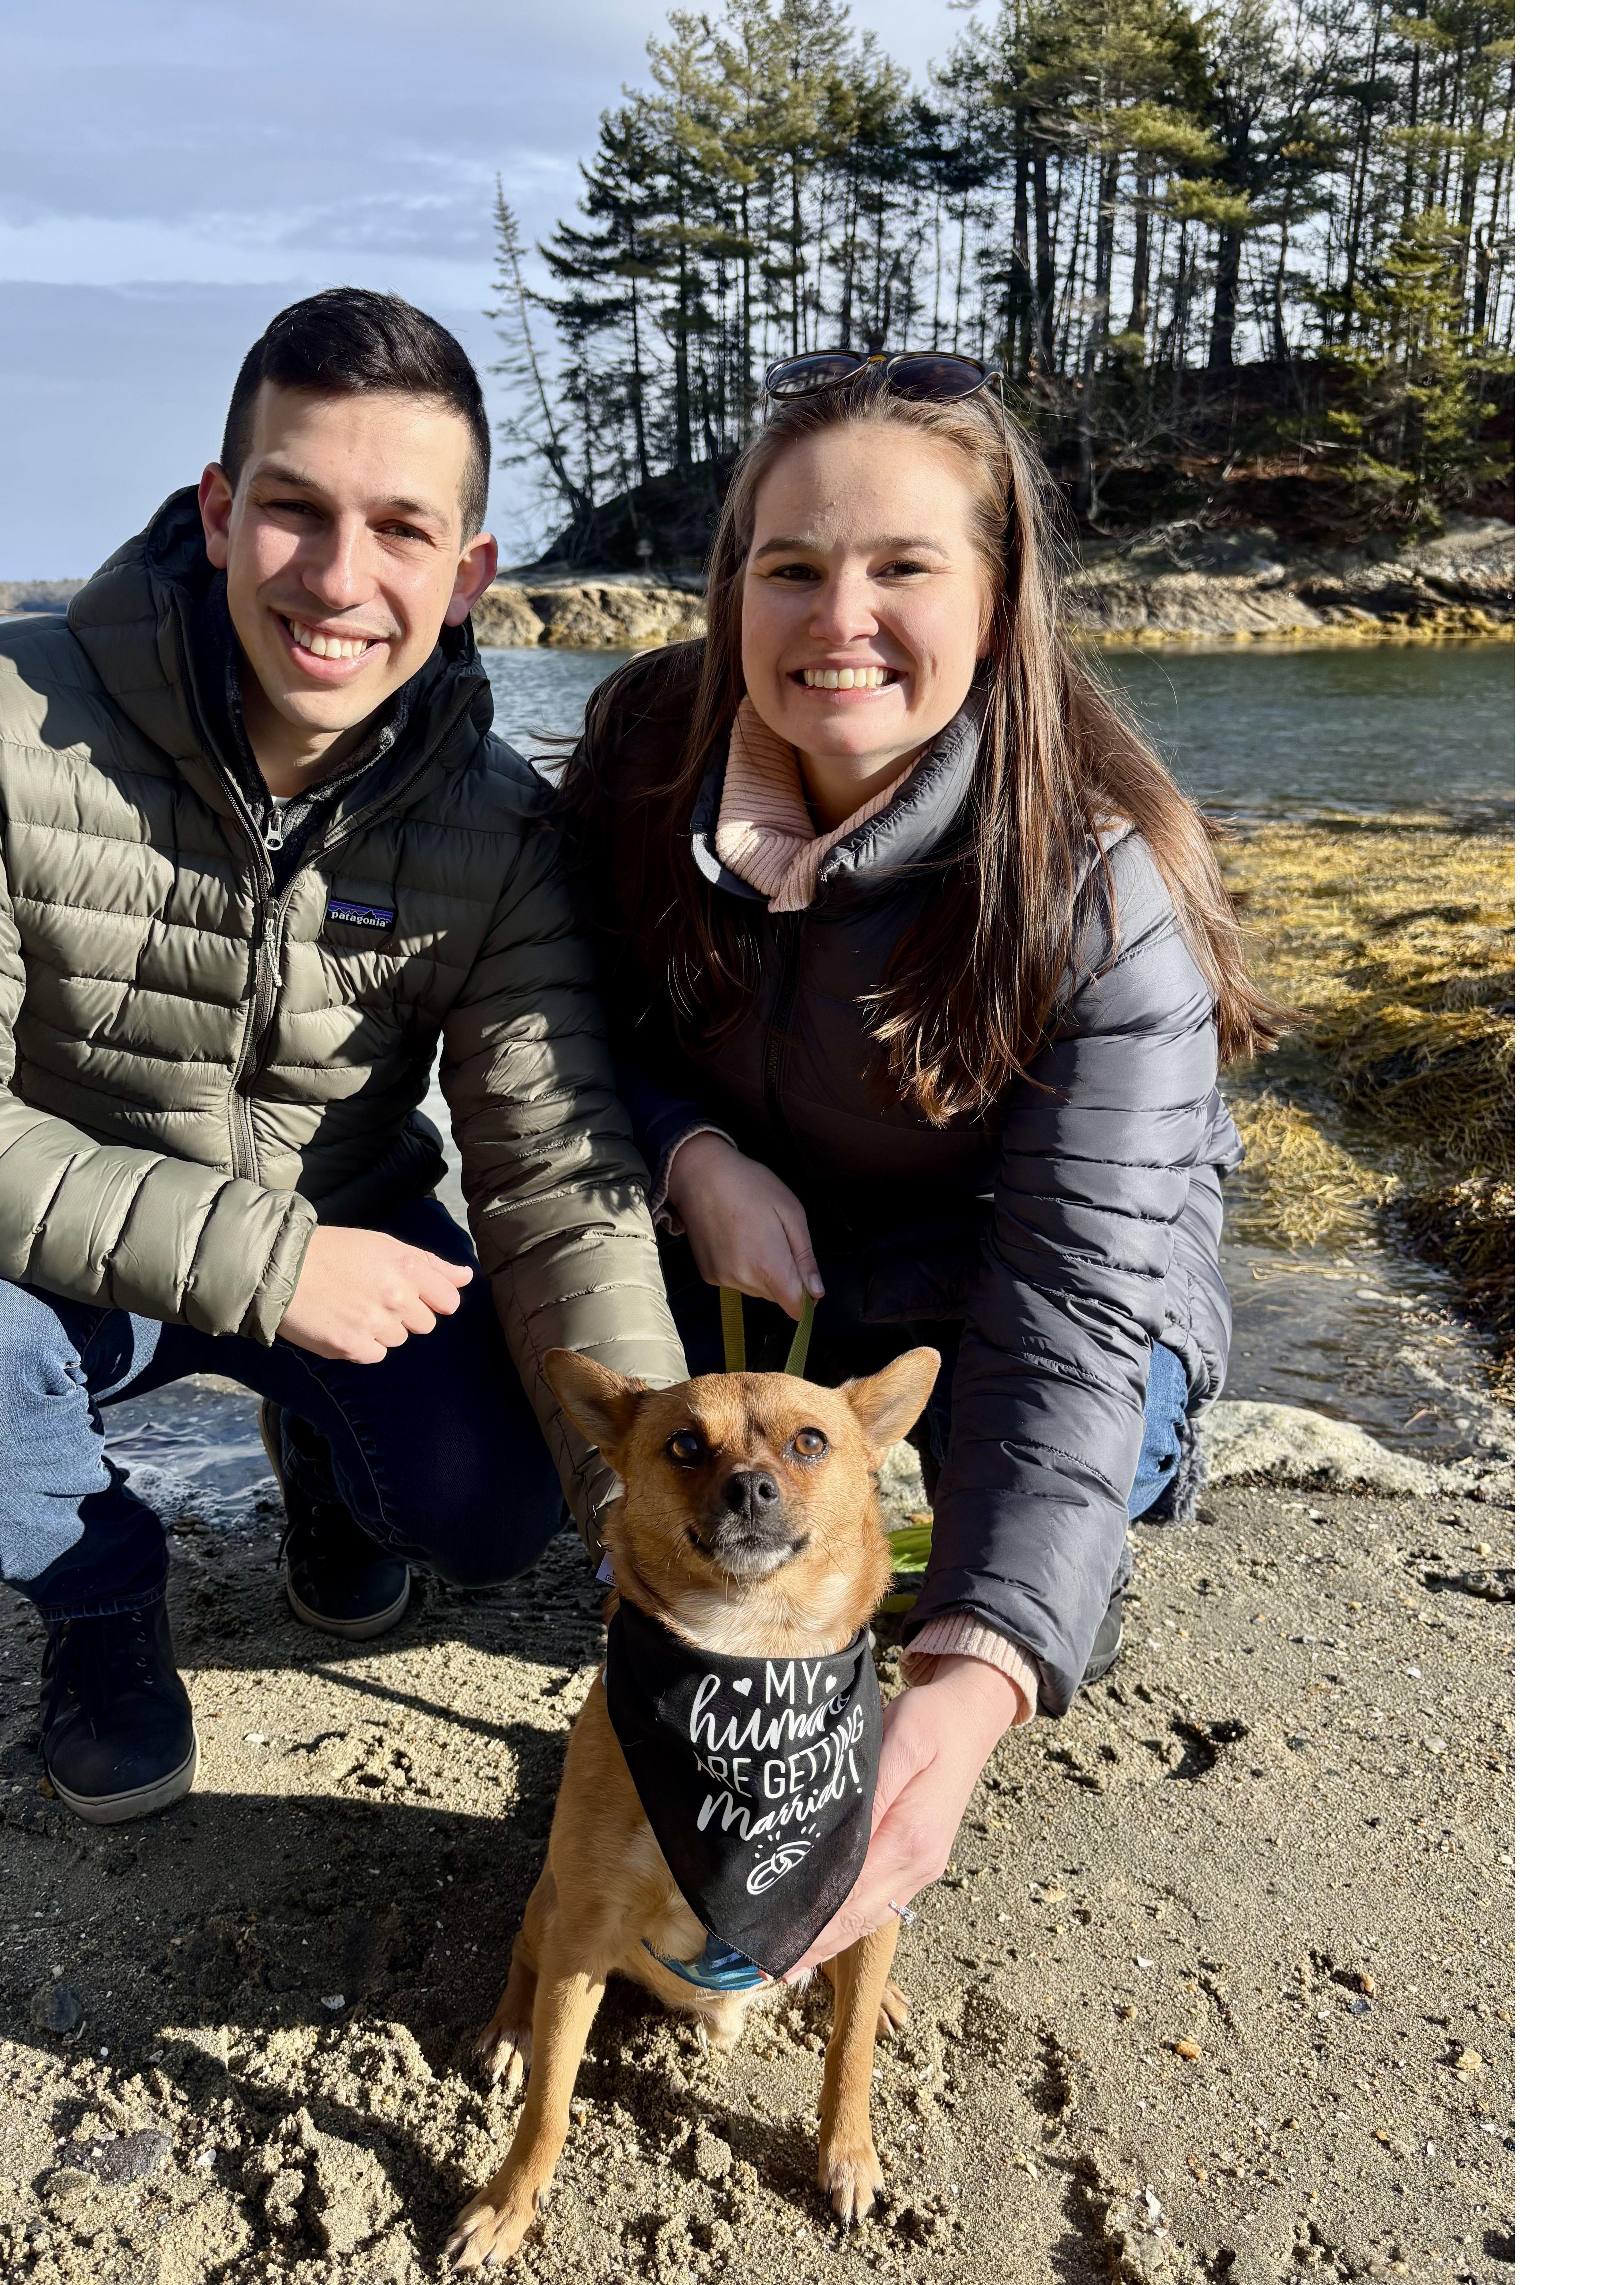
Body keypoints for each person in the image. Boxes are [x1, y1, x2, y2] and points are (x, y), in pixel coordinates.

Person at [0, 289, 685, 1826]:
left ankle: (334, 1478)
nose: (341, 580)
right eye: (294, 510)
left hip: (353, 1229)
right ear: (219, 512)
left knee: (495, 1513)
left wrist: (654, 1503)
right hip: (58, 1253)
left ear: (469, 574)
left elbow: (556, 1172)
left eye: (403, 530)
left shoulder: (504, 821)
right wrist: (270, 1264)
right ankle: (100, 1602)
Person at [555, 350, 1278, 1969]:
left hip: (1019, 1263)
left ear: (1004, 593)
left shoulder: (1103, 883)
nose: (839, 621)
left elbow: (1081, 1298)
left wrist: (971, 1677)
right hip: (758, 1239)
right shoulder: (640, 754)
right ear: (731, 583)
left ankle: (1063, 1548)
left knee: (1051, 1488)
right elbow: (564, 1029)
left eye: (904, 569)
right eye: (792, 567)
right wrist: (690, 1156)